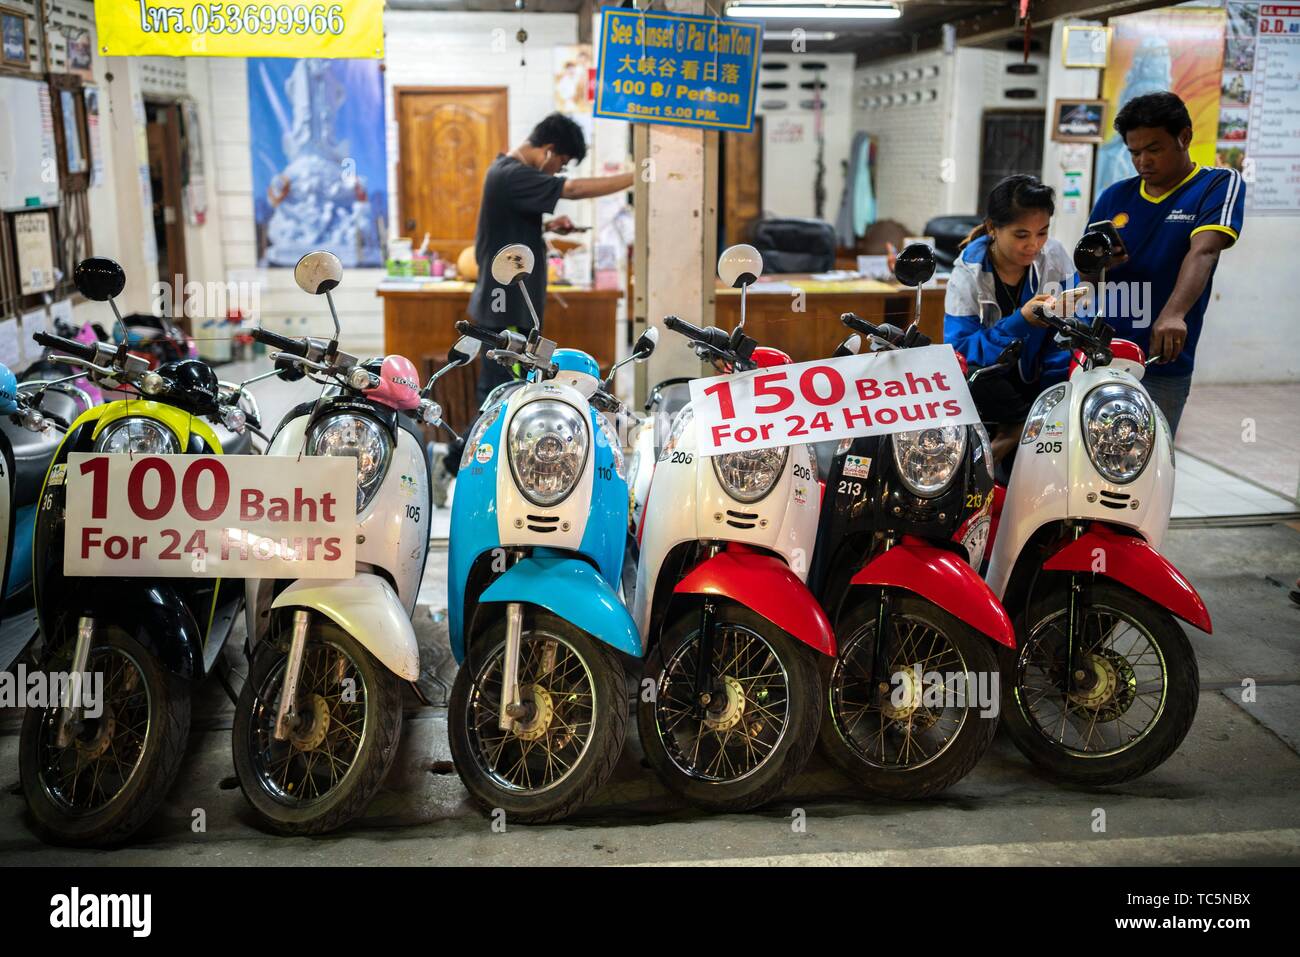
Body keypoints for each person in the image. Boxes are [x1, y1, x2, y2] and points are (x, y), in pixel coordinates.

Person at [431, 113, 633, 505]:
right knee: (496, 399)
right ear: (549, 151)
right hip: (502, 312)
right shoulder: (511, 174)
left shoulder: (508, 174)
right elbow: (571, 189)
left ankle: (480, 469)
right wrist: (634, 179)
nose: (559, 171)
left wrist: (545, 229)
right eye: (561, 162)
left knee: (511, 394)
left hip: (510, 309)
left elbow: (512, 230)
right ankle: (452, 465)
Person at [1079, 91, 1245, 437]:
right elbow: (1087, 279)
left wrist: (1173, 314)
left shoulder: (1216, 185)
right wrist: (1099, 267)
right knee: (1090, 460)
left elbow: (1205, 251)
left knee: (1150, 462)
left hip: (1162, 360)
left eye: (1153, 149)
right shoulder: (1114, 197)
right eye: (1135, 153)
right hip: (1102, 357)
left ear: (1184, 137)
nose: (1143, 162)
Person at [943, 174, 1075, 462]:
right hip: (988, 383)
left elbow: (1065, 337)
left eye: (1042, 232)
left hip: (1039, 378)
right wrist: (1021, 321)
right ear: (993, 228)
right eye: (1021, 235)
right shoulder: (967, 274)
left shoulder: (1054, 258)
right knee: (974, 375)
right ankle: (992, 451)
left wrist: (1053, 400)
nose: (1034, 245)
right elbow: (960, 354)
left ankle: (1019, 428)